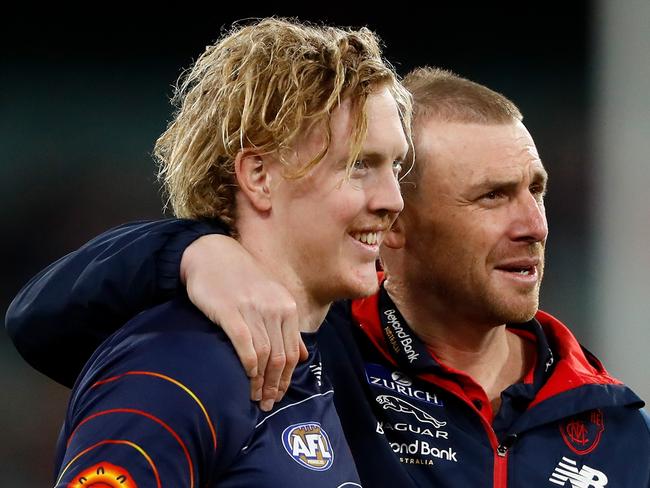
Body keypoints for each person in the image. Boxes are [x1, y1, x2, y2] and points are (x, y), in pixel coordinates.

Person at [7, 68, 650, 486]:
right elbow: (37, 318)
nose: (534, 222)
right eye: (491, 197)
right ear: (396, 223)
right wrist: (194, 251)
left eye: (536, 190)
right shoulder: (308, 350)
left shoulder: (614, 427)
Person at [16, 17, 414, 487]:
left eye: (395, 166)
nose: (393, 199)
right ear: (259, 176)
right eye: (358, 166)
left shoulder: (328, 354)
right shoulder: (170, 369)